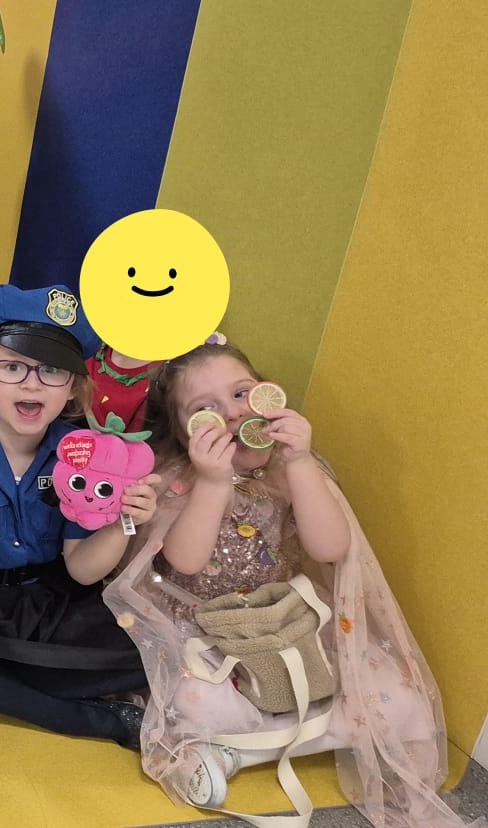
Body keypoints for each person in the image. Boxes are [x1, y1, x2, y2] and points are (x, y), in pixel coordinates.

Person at [101, 343, 476, 827]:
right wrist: (213, 482)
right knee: (197, 702)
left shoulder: (289, 470)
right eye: (205, 409)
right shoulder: (179, 481)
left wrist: (299, 462)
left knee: (392, 687)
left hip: (285, 619)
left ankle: (287, 736)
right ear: (183, 432)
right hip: (205, 631)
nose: (233, 414)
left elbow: (331, 547)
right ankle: (224, 749)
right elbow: (186, 563)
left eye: (242, 393)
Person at [0, 284, 147, 748]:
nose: (32, 383)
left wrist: (122, 520)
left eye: (52, 370)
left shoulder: (82, 452)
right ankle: (98, 720)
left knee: (139, 652)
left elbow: (82, 569)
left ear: (72, 387)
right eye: (12, 367)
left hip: (48, 600)